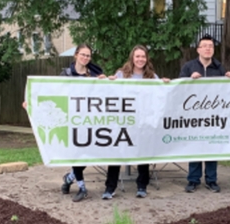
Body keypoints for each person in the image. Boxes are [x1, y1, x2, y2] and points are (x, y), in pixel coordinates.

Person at [102, 44, 168, 200]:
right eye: (137, 56)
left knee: (142, 154)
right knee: (116, 155)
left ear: (147, 59)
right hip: (124, 122)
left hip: (143, 123)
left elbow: (159, 96)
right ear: (132, 57)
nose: (140, 59)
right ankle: (110, 188)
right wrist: (108, 81)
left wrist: (165, 85)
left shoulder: (152, 77)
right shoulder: (121, 74)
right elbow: (110, 93)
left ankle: (142, 186)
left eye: (143, 56)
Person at [179, 34, 230, 194]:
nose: (207, 49)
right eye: (204, 46)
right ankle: (193, 180)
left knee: (212, 146)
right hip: (194, 116)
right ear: (198, 49)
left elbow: (225, 91)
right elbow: (178, 89)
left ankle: (211, 180)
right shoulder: (189, 67)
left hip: (213, 116)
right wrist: (189, 79)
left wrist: (229, 79)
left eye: (210, 46)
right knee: (195, 146)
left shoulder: (218, 68)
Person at [60, 44, 106, 202]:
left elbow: (105, 95)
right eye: (83, 54)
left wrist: (104, 82)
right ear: (76, 55)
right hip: (73, 121)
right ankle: (82, 187)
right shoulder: (66, 74)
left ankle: (69, 177)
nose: (85, 58)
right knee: (77, 155)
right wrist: (30, 102)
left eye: (88, 55)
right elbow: (52, 92)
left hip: (92, 121)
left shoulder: (94, 74)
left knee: (91, 154)